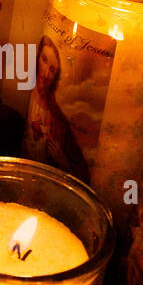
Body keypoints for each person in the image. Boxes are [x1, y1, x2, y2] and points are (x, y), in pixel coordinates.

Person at [23, 34, 89, 179]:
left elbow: (81, 173)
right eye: (44, 60)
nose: (46, 73)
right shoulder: (28, 94)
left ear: (56, 77)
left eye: (52, 70)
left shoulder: (57, 118)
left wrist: (62, 159)